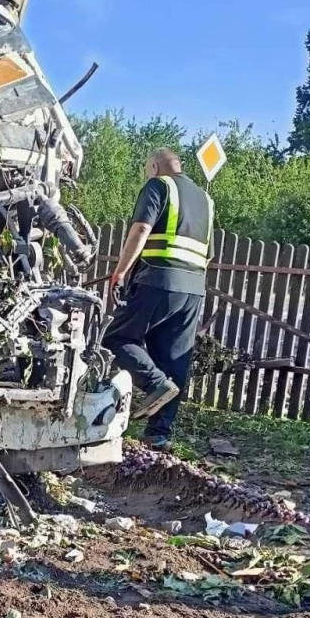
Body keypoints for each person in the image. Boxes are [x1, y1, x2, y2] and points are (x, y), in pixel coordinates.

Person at [105, 148, 215, 445]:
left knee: (117, 338)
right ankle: (159, 434)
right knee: (173, 359)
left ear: (154, 166)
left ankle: (154, 383)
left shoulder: (159, 185)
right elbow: (209, 254)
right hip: (193, 289)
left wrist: (120, 272)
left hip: (158, 278)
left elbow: (141, 228)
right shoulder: (206, 200)